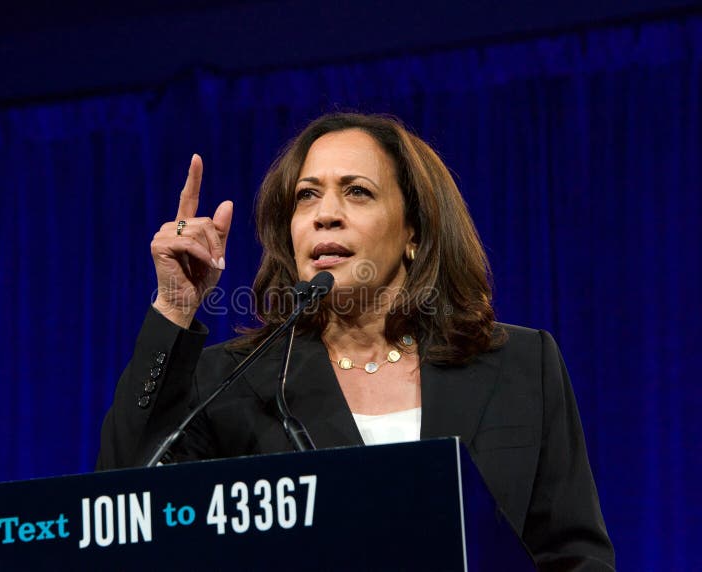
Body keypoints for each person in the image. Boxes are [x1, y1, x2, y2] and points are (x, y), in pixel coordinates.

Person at [97, 113, 614, 569]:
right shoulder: (232, 382)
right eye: (307, 196)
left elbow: (574, 555)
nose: (326, 212)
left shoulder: (520, 365)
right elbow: (125, 507)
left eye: (357, 191)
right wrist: (175, 305)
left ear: (413, 230)